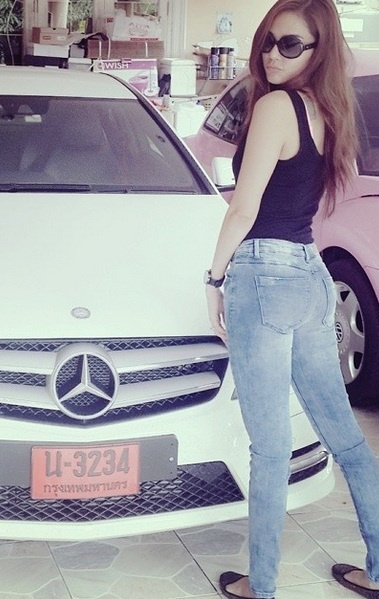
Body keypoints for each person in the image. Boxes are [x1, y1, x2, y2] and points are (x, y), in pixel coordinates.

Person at [204, 0, 379, 598]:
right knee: (345, 435)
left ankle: (263, 586)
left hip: (264, 276)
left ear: (318, 50)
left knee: (271, 447)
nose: (272, 55)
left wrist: (214, 278)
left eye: (291, 45)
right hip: (310, 275)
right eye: (268, 41)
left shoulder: (277, 107)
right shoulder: (330, 110)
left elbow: (243, 208)